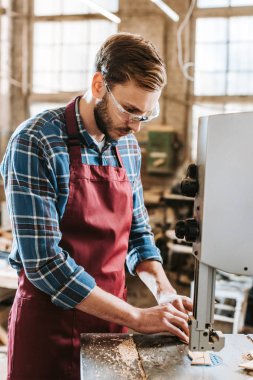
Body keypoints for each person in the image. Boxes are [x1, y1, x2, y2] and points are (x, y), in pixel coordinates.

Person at [1, 32, 192, 380]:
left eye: (145, 116)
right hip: (48, 328)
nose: (135, 126)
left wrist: (164, 292)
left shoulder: (127, 147)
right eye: (130, 111)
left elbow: (138, 235)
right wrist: (137, 317)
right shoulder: (36, 141)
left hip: (110, 322)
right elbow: (44, 263)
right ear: (99, 84)